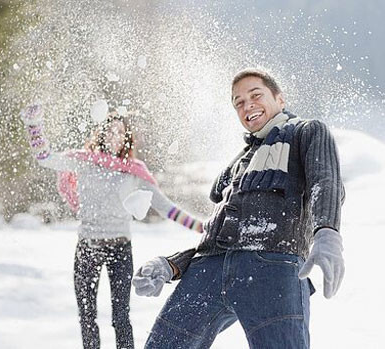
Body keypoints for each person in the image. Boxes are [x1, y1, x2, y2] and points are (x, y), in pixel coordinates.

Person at [132, 68, 345, 349]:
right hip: (208, 270)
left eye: (255, 95)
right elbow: (215, 236)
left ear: (280, 99)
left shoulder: (305, 132)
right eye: (239, 102)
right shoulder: (237, 165)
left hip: (270, 266)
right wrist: (172, 265)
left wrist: (327, 233)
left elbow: (326, 181)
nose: (247, 105)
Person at [20, 105, 203, 349]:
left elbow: (166, 208)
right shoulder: (84, 162)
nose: (114, 136)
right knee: (87, 317)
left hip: (120, 249)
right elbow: (45, 158)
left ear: (126, 138)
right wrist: (34, 126)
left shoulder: (133, 172)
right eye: (110, 131)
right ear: (101, 134)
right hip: (87, 247)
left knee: (121, 317)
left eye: (120, 132)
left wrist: (203, 227)